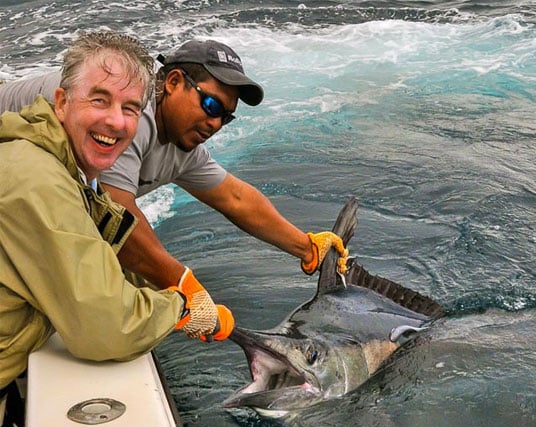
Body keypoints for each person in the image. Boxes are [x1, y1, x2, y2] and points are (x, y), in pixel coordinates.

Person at [0, 31, 232, 427]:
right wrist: (183, 307)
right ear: (61, 101)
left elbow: (234, 196)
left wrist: (306, 246)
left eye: (129, 109)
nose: (116, 121)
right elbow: (104, 327)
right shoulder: (36, 179)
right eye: (99, 100)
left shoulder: (61, 167)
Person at [0, 39, 349, 291]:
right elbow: (118, 213)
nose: (214, 123)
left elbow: (234, 198)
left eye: (225, 118)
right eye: (211, 105)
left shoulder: (183, 140)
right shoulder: (126, 116)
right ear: (173, 82)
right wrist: (185, 286)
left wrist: (307, 247)